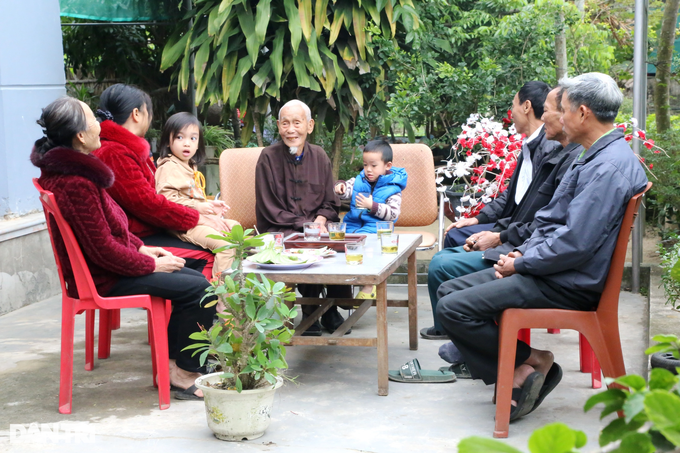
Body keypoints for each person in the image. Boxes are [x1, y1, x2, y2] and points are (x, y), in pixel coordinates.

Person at [435, 73, 648, 420]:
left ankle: (524, 366)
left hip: (568, 282)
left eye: (562, 111)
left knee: (453, 309)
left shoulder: (608, 167)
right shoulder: (592, 156)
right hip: (554, 270)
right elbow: (550, 219)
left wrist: (521, 264)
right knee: (448, 290)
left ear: (582, 113)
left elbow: (575, 242)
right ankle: (531, 363)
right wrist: (520, 252)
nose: (559, 119)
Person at [31, 97, 218, 400]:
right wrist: (150, 265)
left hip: (111, 265)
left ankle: (175, 365)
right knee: (200, 290)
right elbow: (103, 249)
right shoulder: (76, 182)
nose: (101, 124)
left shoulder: (77, 171)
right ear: (80, 136)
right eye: (94, 119)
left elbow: (110, 228)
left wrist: (142, 249)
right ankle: (183, 374)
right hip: (105, 276)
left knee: (195, 274)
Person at [422, 87, 582, 340]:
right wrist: (487, 224)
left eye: (551, 112)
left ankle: (515, 359)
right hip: (527, 245)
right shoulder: (554, 153)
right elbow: (531, 209)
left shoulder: (566, 158)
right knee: (455, 244)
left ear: (577, 114)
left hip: (541, 264)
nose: (549, 118)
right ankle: (477, 346)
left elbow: (557, 228)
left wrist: (506, 244)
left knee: (443, 268)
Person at [92, 84, 230, 278]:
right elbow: (149, 205)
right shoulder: (115, 153)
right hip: (138, 239)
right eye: (149, 112)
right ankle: (215, 304)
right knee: (213, 252)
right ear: (136, 114)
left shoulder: (122, 149)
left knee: (228, 236)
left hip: (147, 230)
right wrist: (197, 216)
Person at [255, 99, 351, 335]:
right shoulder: (267, 158)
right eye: (285, 123)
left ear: (309, 126)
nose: (291, 129)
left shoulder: (319, 156)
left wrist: (319, 220)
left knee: (334, 242)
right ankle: (312, 311)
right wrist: (305, 225)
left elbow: (331, 201)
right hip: (280, 227)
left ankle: (328, 307)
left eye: (297, 123)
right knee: (306, 242)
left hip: (316, 225)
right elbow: (268, 207)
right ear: (278, 126)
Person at [443, 81, 556, 249]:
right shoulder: (530, 145)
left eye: (513, 106)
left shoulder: (548, 149)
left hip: (522, 235)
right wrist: (477, 219)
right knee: (455, 234)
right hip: (513, 226)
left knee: (453, 243)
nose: (510, 114)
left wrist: (499, 236)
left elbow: (536, 211)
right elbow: (512, 195)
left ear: (526, 107)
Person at [155, 112, 239, 277]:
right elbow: (166, 201)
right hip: (184, 224)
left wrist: (210, 205)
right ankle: (222, 294)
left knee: (235, 227)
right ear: (167, 140)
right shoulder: (169, 167)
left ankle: (237, 282)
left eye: (193, 139)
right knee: (226, 245)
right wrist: (199, 206)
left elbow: (191, 195)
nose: (187, 144)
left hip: (196, 220)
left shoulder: (188, 165)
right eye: (180, 137)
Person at [335, 139, 407, 298]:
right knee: (338, 248)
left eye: (373, 166)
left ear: (387, 166)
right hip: (352, 226)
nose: (368, 169)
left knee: (368, 249)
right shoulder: (359, 179)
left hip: (376, 230)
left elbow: (393, 214)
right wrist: (340, 188)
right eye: (365, 164)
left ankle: (368, 286)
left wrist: (372, 205)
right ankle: (342, 288)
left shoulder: (393, 189)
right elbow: (348, 189)